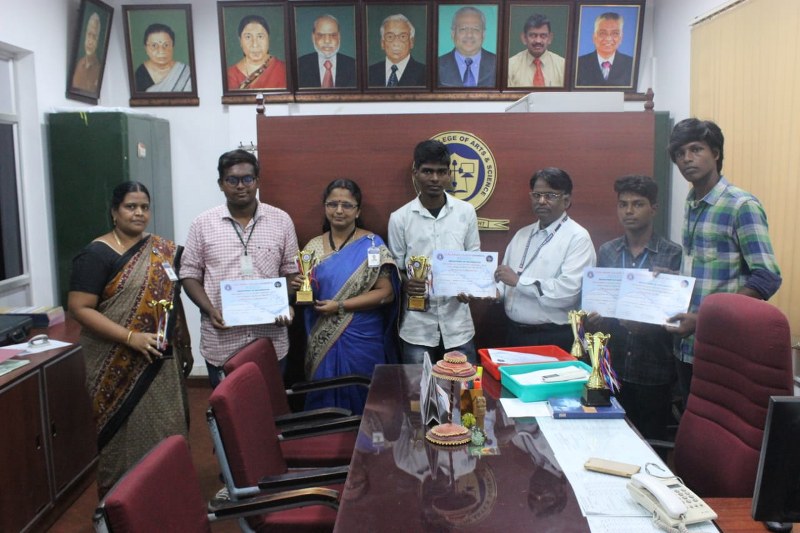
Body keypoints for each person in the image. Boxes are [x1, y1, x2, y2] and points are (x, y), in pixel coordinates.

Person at [68, 181, 192, 498]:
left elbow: (173, 299)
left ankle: (166, 497)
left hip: (161, 358)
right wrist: (130, 337)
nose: (139, 213)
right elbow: (79, 308)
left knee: (166, 427)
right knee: (122, 432)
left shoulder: (162, 250)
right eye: (130, 206)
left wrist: (185, 342)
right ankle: (122, 505)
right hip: (116, 360)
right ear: (114, 212)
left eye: (144, 207)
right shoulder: (96, 255)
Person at [665, 118, 781, 403]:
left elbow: (767, 277)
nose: (687, 159)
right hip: (686, 346)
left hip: (723, 346)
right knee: (691, 420)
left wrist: (703, 319)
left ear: (715, 153)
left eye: (696, 149)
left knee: (717, 423)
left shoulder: (741, 205)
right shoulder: (692, 203)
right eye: (680, 153)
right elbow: (706, 268)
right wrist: (671, 277)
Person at [180, 149, 299, 387]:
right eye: (232, 180)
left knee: (270, 406)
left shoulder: (281, 221)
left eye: (247, 179)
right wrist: (209, 309)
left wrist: (283, 305)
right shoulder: (202, 224)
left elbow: (292, 271)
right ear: (221, 184)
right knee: (227, 407)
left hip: (270, 340)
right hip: (222, 343)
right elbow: (189, 274)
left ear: (257, 181)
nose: (241, 186)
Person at [291, 179, 400, 414]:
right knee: (325, 396)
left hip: (363, 336)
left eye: (347, 205)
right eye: (333, 204)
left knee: (366, 398)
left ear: (358, 211)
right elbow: (307, 298)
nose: (339, 210)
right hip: (323, 334)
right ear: (325, 207)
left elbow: (387, 293)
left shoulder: (373, 245)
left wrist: (340, 305)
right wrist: (301, 287)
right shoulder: (312, 247)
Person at [586, 175, 681, 440]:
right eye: (623, 204)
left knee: (651, 444)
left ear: (654, 208)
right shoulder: (608, 251)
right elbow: (601, 304)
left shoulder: (673, 254)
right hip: (612, 365)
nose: (629, 211)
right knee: (609, 439)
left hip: (654, 368)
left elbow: (676, 316)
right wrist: (596, 318)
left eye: (638, 204)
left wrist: (649, 325)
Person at [387, 140, 481, 364]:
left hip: (458, 325)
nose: (435, 178)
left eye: (441, 172)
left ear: (449, 174)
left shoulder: (466, 212)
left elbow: (474, 260)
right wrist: (407, 283)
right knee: (418, 387)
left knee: (463, 385)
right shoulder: (400, 218)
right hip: (418, 326)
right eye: (427, 171)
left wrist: (469, 287)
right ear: (415, 173)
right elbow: (396, 269)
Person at [494, 167, 595, 353]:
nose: (541, 201)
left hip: (553, 336)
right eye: (537, 195)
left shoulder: (578, 237)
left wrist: (519, 282)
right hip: (514, 334)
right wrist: (495, 292)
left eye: (550, 195)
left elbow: (568, 292)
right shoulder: (522, 234)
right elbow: (504, 277)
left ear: (566, 201)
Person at [438, 6, 497, 88]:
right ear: (453, 34)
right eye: (463, 29)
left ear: (483, 34)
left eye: (476, 29)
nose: (469, 35)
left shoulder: (499, 64)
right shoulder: (435, 66)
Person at [227, 15, 286, 90]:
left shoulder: (283, 69)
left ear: (268, 39)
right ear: (240, 41)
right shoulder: (230, 75)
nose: (255, 44)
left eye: (260, 36)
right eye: (248, 37)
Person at [297, 14, 356, 88]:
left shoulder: (354, 66)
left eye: (333, 35)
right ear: (313, 37)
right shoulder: (298, 66)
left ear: (339, 37)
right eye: (321, 35)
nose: (327, 41)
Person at [575, 12, 633, 87]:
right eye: (602, 33)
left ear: (621, 38)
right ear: (594, 37)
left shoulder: (631, 65)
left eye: (615, 33)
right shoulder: (578, 64)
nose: (608, 39)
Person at [507, 14, 565, 88]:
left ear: (550, 38)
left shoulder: (563, 66)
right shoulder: (510, 66)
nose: (538, 41)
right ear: (524, 38)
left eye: (543, 36)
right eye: (533, 35)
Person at [368, 14, 426, 88]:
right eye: (390, 37)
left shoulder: (426, 73)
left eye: (403, 37)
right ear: (382, 43)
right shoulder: (369, 72)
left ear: (411, 42)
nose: (396, 43)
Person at [134, 23, 192, 93]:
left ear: (172, 46)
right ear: (146, 49)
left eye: (166, 45)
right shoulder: (140, 75)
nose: (161, 51)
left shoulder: (186, 72)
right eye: (154, 45)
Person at [71, 12, 102, 93]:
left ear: (98, 42)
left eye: (94, 37)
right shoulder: (78, 65)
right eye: (89, 34)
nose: (90, 41)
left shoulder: (99, 70)